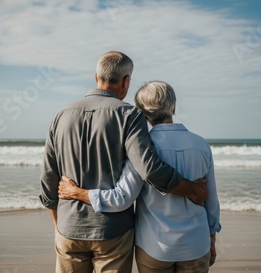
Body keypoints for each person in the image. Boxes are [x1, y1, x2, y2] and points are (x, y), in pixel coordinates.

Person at [39, 51, 208, 273]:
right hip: (113, 231)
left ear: (95, 76)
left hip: (68, 227)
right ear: (126, 81)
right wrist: (190, 188)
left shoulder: (60, 115)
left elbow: (49, 177)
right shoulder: (129, 114)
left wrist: (58, 225)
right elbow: (148, 167)